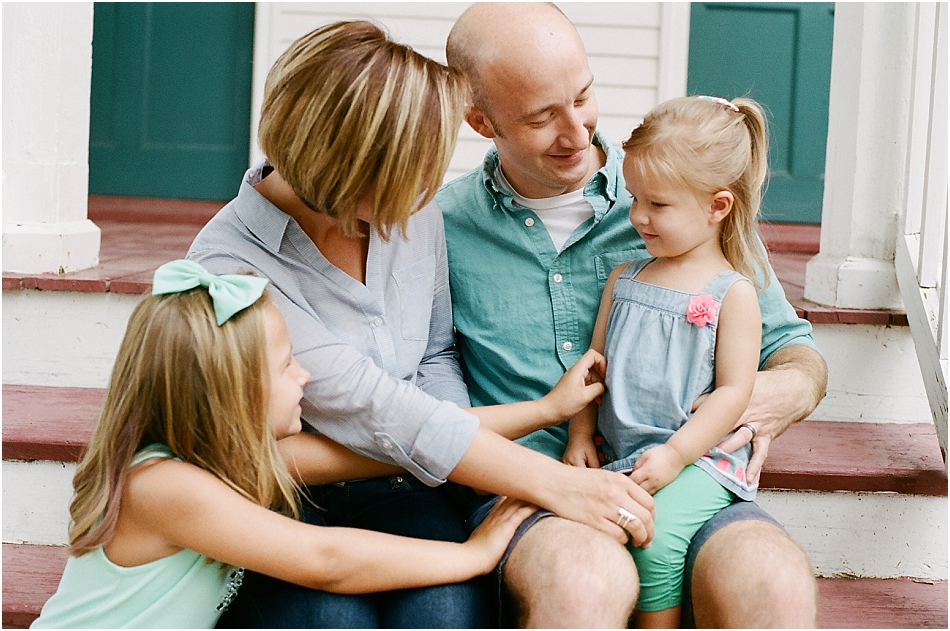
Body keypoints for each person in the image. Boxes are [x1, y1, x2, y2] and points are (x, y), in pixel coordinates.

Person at [188, 20, 654, 628]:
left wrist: (466, 471)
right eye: (408, 173)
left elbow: (434, 354)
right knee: (325, 621)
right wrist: (550, 480)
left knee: (443, 616)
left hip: (415, 487)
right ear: (344, 169)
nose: (424, 194)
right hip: (290, 505)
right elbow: (376, 409)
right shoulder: (228, 266)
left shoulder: (407, 209)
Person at [436, 3, 828, 627]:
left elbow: (793, 349)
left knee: (771, 582)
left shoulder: (685, 189)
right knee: (587, 582)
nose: (577, 132)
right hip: (538, 493)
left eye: (583, 95)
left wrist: (783, 392)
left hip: (688, 481)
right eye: (542, 118)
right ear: (480, 120)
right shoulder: (441, 228)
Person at [31, 260, 535, 629]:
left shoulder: (222, 464)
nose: (305, 375)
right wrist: (475, 555)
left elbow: (395, 445)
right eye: (286, 365)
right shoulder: (165, 488)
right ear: (232, 392)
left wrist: (546, 412)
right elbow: (327, 560)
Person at [563, 95, 774, 627]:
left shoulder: (733, 294)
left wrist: (677, 454)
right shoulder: (625, 279)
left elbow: (732, 393)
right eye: (634, 199)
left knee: (651, 540)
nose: (637, 217)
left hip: (698, 462)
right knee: (593, 540)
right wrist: (580, 436)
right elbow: (594, 369)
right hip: (624, 455)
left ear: (717, 206)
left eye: (657, 205)